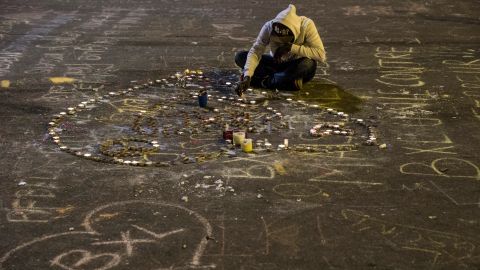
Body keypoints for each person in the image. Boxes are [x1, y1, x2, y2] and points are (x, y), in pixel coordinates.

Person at [235, 4, 327, 95]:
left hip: (295, 65)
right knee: (240, 57)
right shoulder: (269, 27)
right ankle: (285, 81)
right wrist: (247, 76)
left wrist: (291, 47)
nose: (281, 42)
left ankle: (263, 81)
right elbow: (256, 51)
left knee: (308, 64)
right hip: (276, 63)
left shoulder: (306, 25)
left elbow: (321, 55)